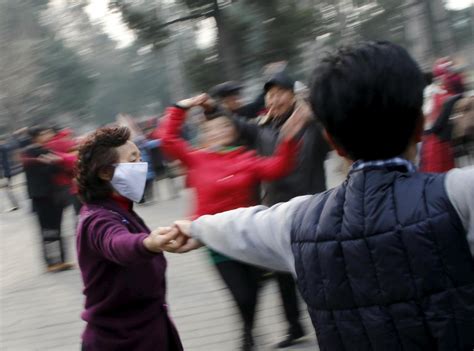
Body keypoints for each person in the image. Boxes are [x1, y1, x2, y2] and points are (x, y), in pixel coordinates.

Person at [161, 41, 474, 351]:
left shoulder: (295, 223)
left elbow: (245, 225)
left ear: (332, 142)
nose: (273, 98)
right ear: (419, 126)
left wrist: (196, 228)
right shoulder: (459, 195)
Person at [156, 94, 306, 351]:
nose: (218, 131)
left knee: (251, 292)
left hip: (247, 235)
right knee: (243, 294)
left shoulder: (246, 159)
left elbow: (278, 168)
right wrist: (181, 107)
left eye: (224, 126)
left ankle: (248, 335)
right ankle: (248, 334)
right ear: (204, 134)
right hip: (212, 236)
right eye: (211, 128)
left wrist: (289, 140)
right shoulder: (196, 158)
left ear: (233, 130)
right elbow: (167, 140)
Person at [216, 72, 330, 348]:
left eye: (280, 92)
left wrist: (311, 110)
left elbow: (333, 120)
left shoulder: (312, 126)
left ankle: (327, 322)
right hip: (276, 210)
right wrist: (212, 106)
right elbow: (232, 123)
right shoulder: (261, 129)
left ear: (293, 95)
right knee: (281, 273)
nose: (274, 98)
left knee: (315, 271)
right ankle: (294, 326)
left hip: (312, 207)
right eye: (270, 94)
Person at [75, 126, 183, 351]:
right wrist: (147, 243)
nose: (141, 166)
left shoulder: (121, 209)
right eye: (132, 160)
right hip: (119, 340)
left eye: (140, 158)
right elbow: (116, 243)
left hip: (150, 329)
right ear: (105, 173)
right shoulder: (96, 219)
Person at [22, 126, 75, 272]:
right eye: (44, 133)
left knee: (57, 229)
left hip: (52, 196)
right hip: (43, 197)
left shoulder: (41, 151)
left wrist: (55, 162)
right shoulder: (31, 153)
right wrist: (53, 162)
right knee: (47, 231)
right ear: (37, 137)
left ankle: (62, 260)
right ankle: (51, 262)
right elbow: (49, 171)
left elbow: (59, 168)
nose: (48, 135)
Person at [0, 136, 20, 212]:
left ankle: (13, 204)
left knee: (7, 189)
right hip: (7, 172)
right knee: (8, 189)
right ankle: (14, 204)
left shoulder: (2, 148)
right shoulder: (8, 147)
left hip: (3, 173)